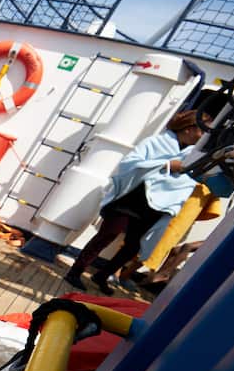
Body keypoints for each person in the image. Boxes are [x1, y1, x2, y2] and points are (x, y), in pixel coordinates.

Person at [65, 109, 211, 294]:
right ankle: (75, 272)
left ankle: (102, 275)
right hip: (132, 198)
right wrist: (165, 165)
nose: (204, 136)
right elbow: (129, 163)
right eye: (202, 130)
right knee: (108, 234)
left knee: (135, 246)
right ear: (189, 129)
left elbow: (188, 181)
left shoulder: (194, 156)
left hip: (158, 206)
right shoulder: (155, 142)